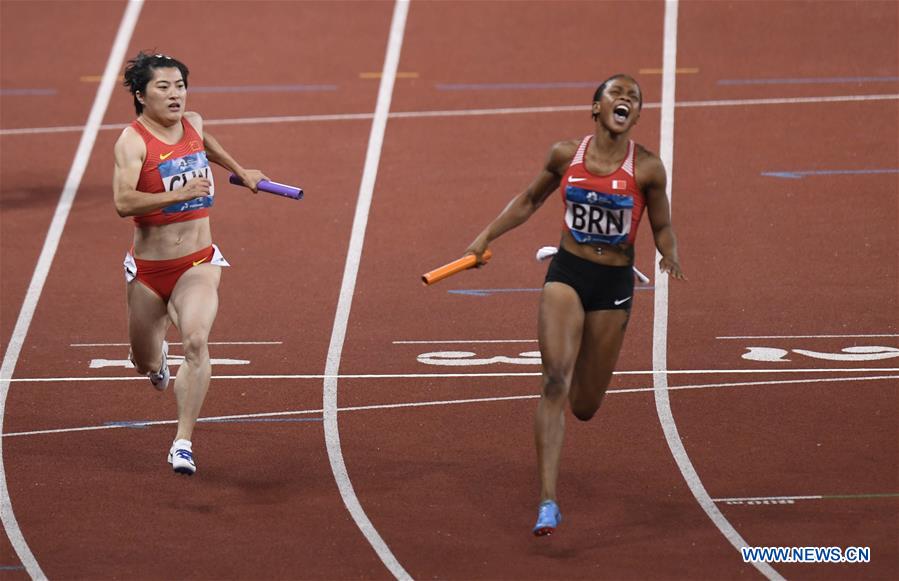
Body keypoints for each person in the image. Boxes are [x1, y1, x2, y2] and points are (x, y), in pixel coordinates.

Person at [465, 74, 686, 535]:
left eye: (634, 98)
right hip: (567, 274)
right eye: (616, 93)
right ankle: (547, 501)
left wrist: (669, 251)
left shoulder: (648, 168)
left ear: (637, 116)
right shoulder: (566, 155)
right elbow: (528, 200)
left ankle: (583, 357)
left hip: (614, 286)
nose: (626, 99)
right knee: (553, 382)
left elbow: (661, 224)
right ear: (595, 108)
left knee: (584, 405)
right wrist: (485, 237)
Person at [113, 51, 267, 475]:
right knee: (142, 362)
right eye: (164, 87)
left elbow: (205, 141)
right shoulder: (132, 142)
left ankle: (182, 441)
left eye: (180, 85)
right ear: (142, 96)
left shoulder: (192, 122)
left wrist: (240, 169)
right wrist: (176, 195)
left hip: (198, 261)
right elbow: (123, 202)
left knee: (197, 342)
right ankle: (155, 360)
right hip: (148, 271)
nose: (175, 94)